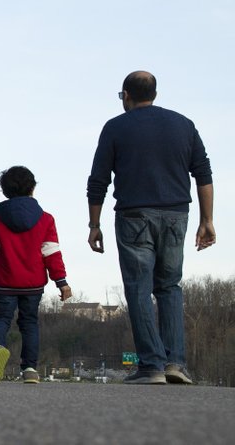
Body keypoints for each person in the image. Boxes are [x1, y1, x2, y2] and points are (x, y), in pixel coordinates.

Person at [87, 71, 216, 385]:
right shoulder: (184, 124)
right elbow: (203, 174)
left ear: (126, 96)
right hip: (176, 214)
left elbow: (98, 180)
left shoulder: (115, 127)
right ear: (154, 93)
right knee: (170, 287)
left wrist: (94, 224)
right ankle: (175, 364)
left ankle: (151, 366)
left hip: (133, 216)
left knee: (139, 289)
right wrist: (207, 220)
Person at [0, 166, 72, 384]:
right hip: (33, 285)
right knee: (29, 323)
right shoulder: (46, 219)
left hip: (5, 283)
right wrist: (62, 282)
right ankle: (30, 369)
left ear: (4, 191)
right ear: (32, 189)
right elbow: (52, 254)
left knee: (1, 319)